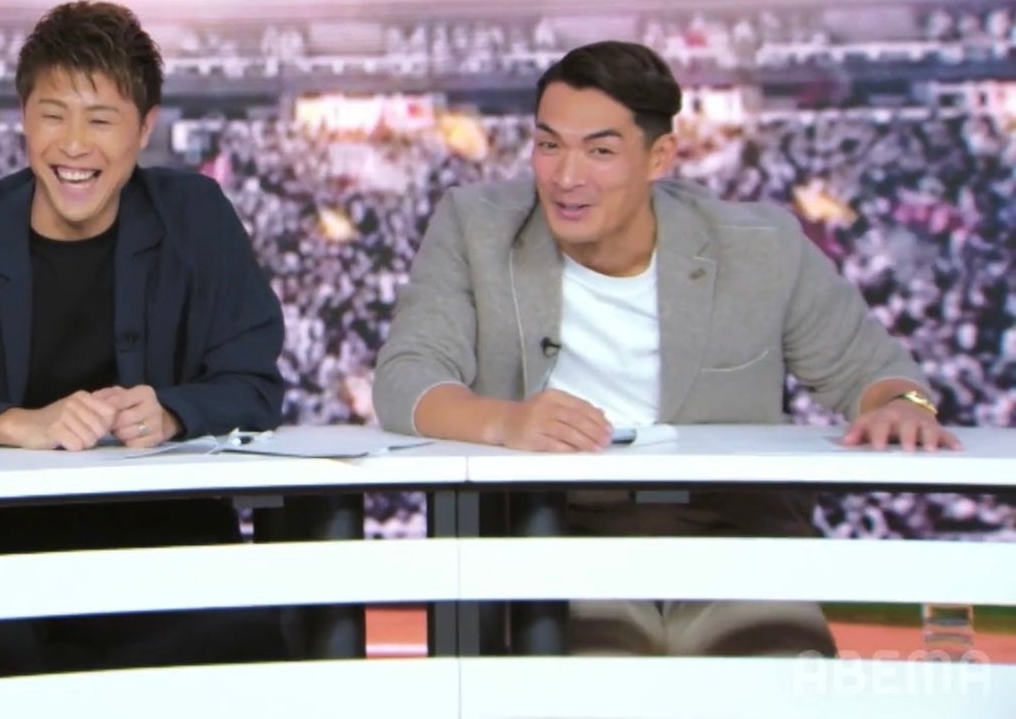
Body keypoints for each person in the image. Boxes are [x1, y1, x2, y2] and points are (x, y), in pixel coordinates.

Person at [373, 40, 959, 657]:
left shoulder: (760, 247)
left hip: (731, 542)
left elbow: (881, 374)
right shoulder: (475, 226)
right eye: (549, 145)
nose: (566, 177)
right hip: (555, 538)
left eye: (600, 151)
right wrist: (505, 422)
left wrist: (905, 405)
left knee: (780, 675)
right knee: (598, 671)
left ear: (659, 157)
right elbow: (407, 376)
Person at [0, 0, 290, 681]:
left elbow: (254, 382)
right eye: (53, 115)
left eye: (101, 120)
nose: (74, 145)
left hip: (162, 543)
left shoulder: (196, 218)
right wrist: (15, 424)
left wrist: (172, 412)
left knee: (241, 644)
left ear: (144, 128)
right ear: (23, 119)